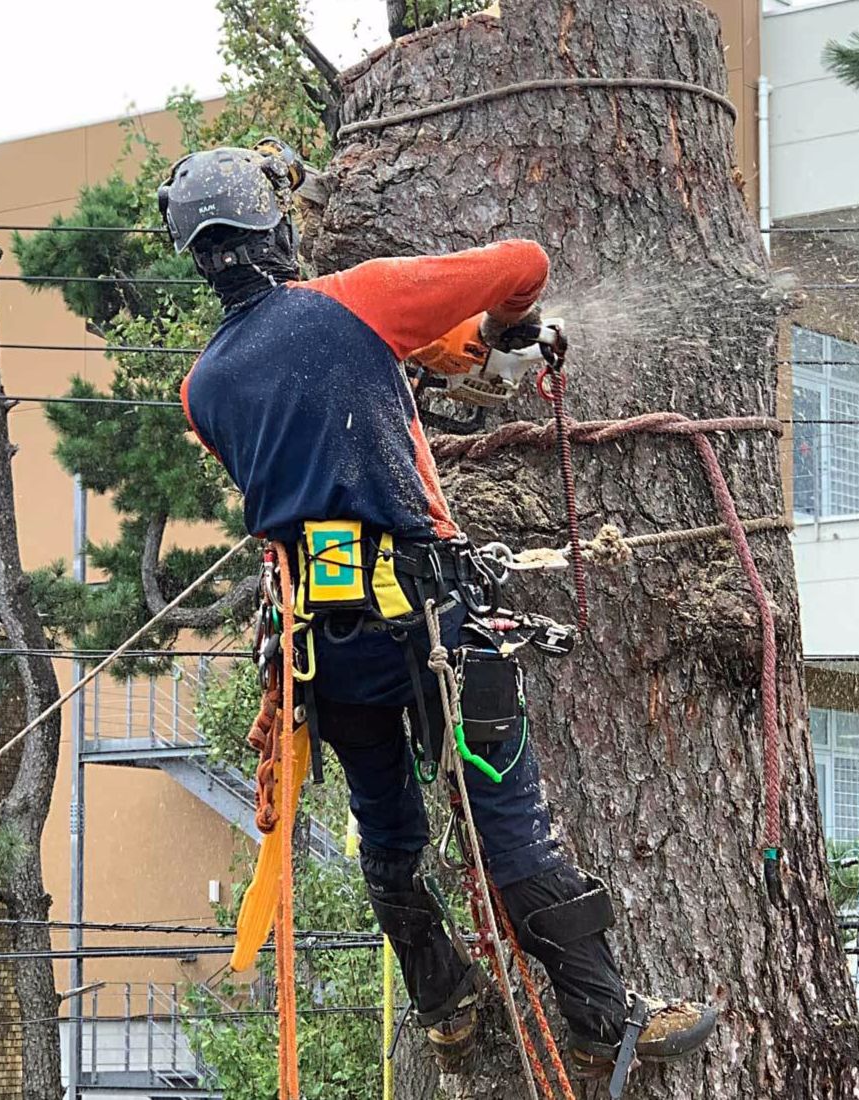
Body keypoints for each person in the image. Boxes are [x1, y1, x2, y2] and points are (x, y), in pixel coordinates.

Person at [159, 140, 717, 1080]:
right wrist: (502, 324)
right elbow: (523, 264)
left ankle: (445, 1003)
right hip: (429, 623)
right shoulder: (354, 301)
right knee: (507, 813)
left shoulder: (203, 387)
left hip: (320, 648)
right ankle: (603, 1015)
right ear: (278, 226)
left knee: (389, 827)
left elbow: (314, 424)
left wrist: (416, 359)